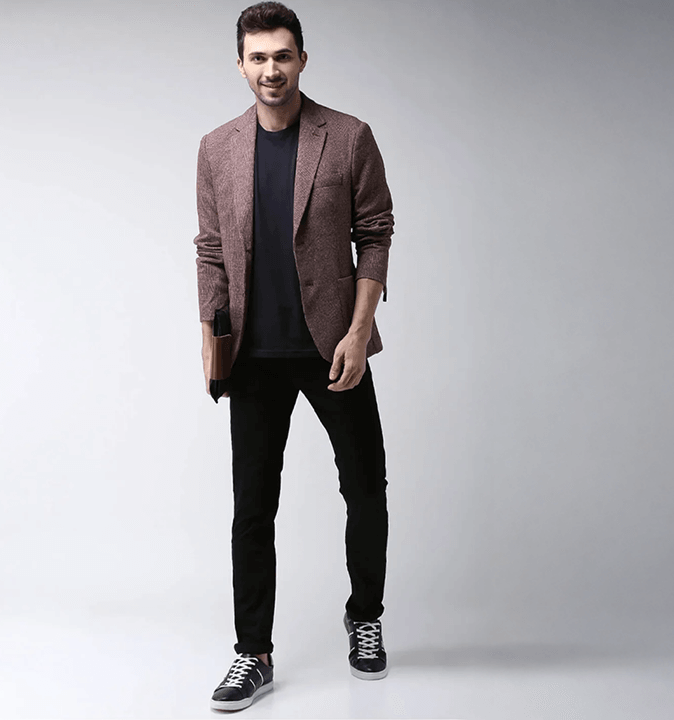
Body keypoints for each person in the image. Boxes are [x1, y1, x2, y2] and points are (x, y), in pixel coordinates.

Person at [192, 2, 396, 712]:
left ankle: (365, 618)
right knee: (252, 508)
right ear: (241, 65)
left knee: (365, 488)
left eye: (282, 56)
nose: (271, 69)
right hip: (253, 353)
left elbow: (376, 232)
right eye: (258, 58)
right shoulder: (217, 148)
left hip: (332, 344)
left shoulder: (348, 136)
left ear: (302, 59)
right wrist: (211, 337)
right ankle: (253, 653)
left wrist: (358, 331)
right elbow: (210, 249)